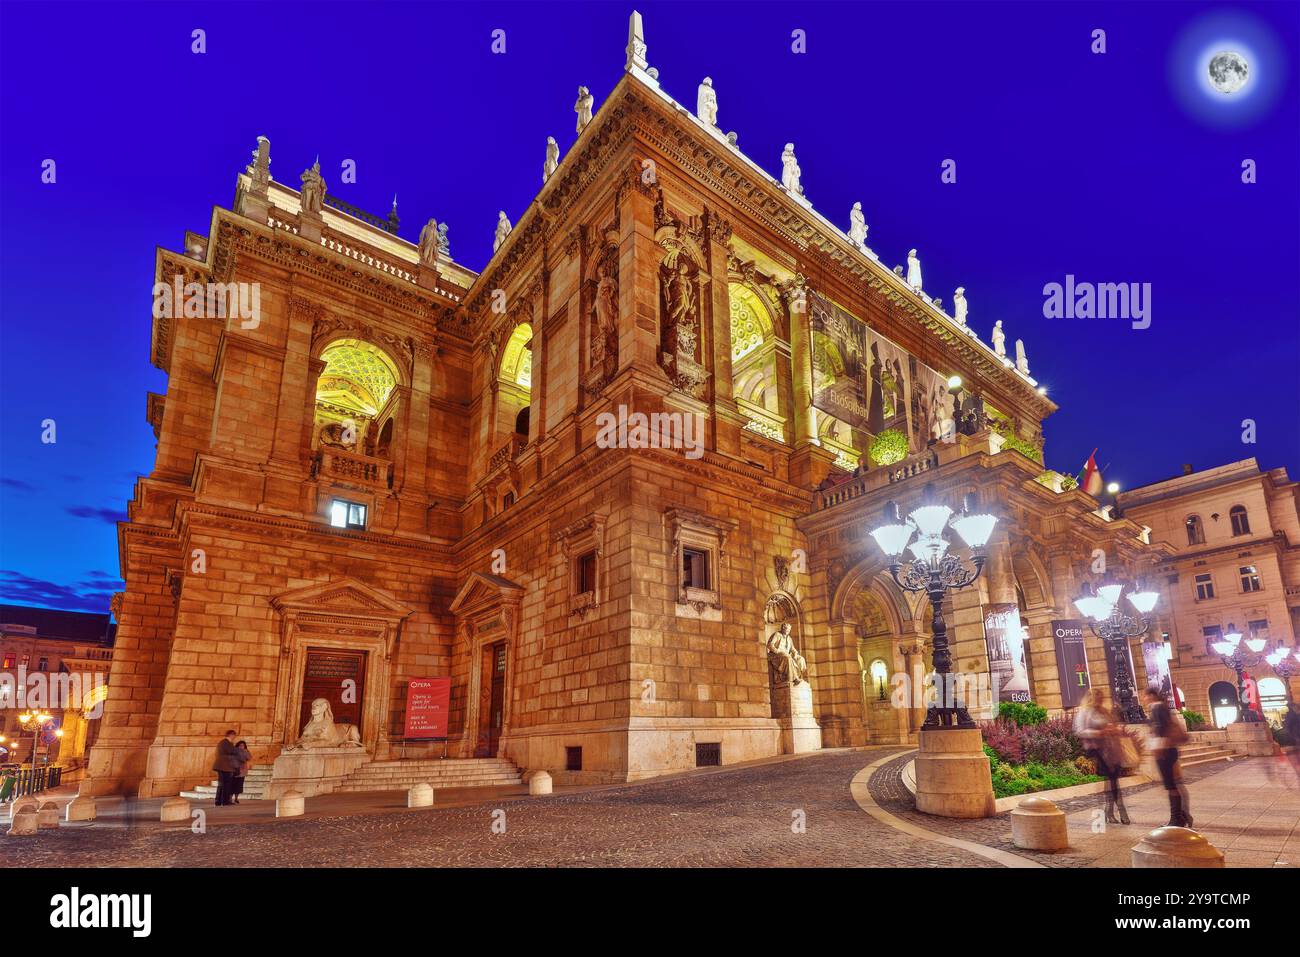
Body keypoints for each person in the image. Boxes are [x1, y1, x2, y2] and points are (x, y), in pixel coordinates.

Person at [1074, 689, 1129, 824]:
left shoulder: (1104, 711)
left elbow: (1113, 725)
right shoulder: (1084, 712)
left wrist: (1114, 729)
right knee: (1112, 778)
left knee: (1113, 779)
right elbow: (1079, 731)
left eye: (1102, 697)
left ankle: (1109, 811)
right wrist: (1099, 733)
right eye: (1098, 697)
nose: (1101, 700)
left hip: (1111, 748)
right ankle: (1120, 810)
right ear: (1091, 698)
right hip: (1096, 749)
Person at [1145, 687, 1192, 827]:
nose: (1144, 699)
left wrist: (1159, 748)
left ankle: (1177, 819)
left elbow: (1160, 728)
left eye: (1146, 696)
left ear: (1152, 696)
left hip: (1164, 751)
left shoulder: (1157, 708)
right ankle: (1181, 816)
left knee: (1171, 785)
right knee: (1175, 783)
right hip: (1170, 749)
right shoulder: (1163, 707)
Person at [212, 730, 241, 807]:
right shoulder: (226, 743)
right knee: (225, 784)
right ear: (231, 735)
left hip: (223, 766)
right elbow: (232, 751)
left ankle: (219, 801)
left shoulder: (224, 742)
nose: (235, 737)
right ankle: (224, 801)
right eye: (234, 735)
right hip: (225, 766)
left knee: (222, 784)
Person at [231, 739, 252, 805]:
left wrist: (245, 752)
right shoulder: (234, 751)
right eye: (240, 745)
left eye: (243, 745)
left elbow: (249, 758)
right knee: (232, 785)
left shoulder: (246, 751)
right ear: (237, 746)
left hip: (242, 772)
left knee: (239, 786)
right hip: (235, 771)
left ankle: (236, 798)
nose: (241, 747)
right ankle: (230, 798)